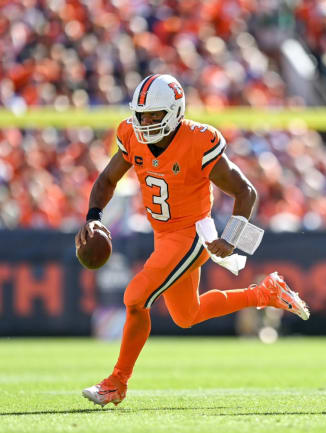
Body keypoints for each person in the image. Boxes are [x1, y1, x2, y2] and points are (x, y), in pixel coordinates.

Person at [75, 74, 310, 407]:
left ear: (174, 112)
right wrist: (93, 217)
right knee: (187, 314)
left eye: (155, 115)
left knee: (135, 298)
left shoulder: (198, 140)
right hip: (164, 236)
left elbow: (246, 192)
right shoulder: (131, 134)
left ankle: (117, 381)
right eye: (142, 115)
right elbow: (107, 179)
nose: (146, 122)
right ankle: (266, 292)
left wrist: (231, 237)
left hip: (191, 235)